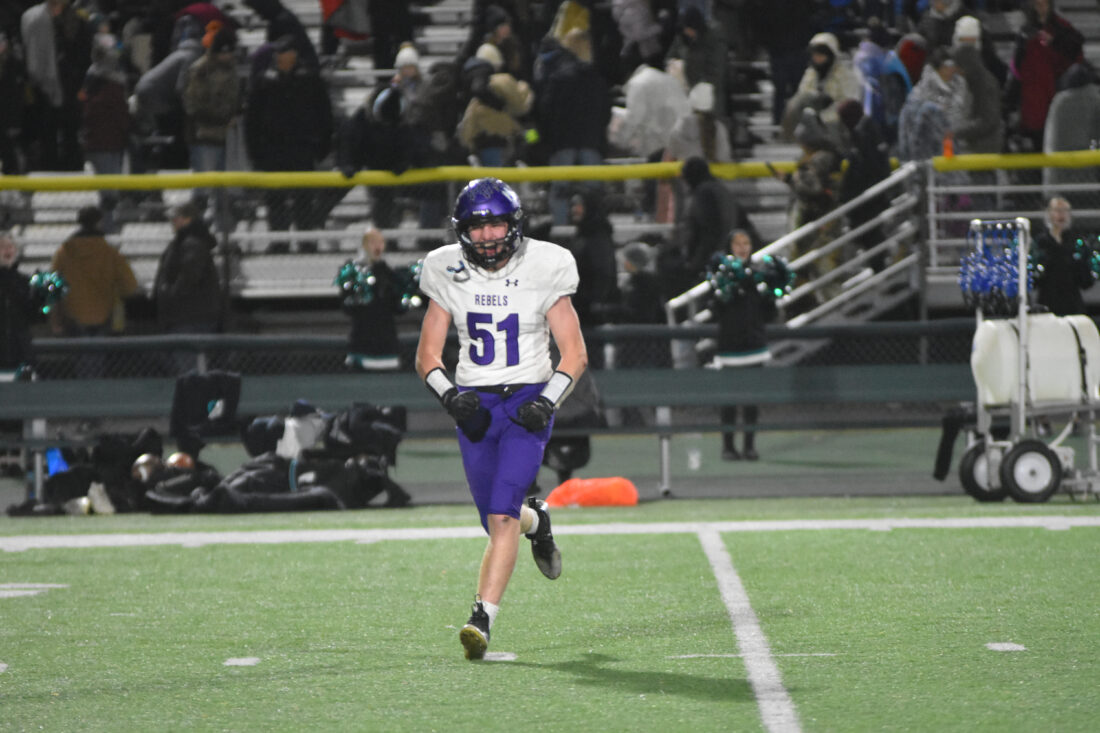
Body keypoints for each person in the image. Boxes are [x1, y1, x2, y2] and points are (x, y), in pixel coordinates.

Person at [415, 177, 587, 661]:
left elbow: (574, 353)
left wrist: (547, 402)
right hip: (476, 403)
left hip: (528, 399)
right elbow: (427, 355)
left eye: (496, 225)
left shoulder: (547, 263)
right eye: (477, 226)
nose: (488, 236)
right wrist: (450, 397)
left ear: (514, 225)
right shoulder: (444, 267)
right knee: (495, 520)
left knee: (501, 513)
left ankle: (481, 617)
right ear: (461, 230)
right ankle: (539, 521)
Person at [244, 34, 334, 253]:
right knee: (275, 198)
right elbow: (252, 119)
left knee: (304, 196)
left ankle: (307, 240)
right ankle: (279, 240)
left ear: (293, 55)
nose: (279, 56)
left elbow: (324, 115)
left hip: (302, 147)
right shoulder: (264, 81)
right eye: (278, 53)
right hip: (272, 149)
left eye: (283, 52)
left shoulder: (309, 79)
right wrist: (255, 151)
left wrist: (322, 146)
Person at [708, 229, 779, 461]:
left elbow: (770, 312)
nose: (742, 248)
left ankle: (749, 446)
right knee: (728, 400)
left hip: (754, 344)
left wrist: (771, 291)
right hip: (729, 345)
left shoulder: (760, 274)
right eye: (737, 244)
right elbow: (715, 308)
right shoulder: (721, 274)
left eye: (746, 243)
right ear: (730, 247)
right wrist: (728, 288)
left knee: (751, 400)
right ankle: (728, 447)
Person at [49, 205, 139, 377]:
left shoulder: (64, 253)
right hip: (103, 315)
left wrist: (55, 319)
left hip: (73, 316)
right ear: (99, 222)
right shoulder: (110, 252)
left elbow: (52, 288)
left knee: (80, 363)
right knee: (99, 363)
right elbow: (130, 286)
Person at [153, 202, 222, 374]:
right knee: (186, 367)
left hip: (189, 317)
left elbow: (189, 276)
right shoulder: (185, 241)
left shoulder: (192, 243)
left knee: (190, 370)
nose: (172, 222)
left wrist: (170, 295)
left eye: (176, 218)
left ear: (188, 219)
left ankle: (198, 391)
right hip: (187, 316)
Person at [341, 228, 403, 371]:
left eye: (380, 242)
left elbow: (398, 308)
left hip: (387, 347)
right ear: (363, 246)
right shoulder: (353, 272)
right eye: (372, 242)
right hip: (362, 345)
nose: (377, 246)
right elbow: (347, 306)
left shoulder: (389, 273)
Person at [1032, 197, 1094, 316]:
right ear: (1049, 213)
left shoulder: (1077, 242)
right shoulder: (1040, 242)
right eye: (1057, 210)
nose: (1062, 214)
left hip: (1072, 302)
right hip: (1048, 300)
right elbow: (1035, 278)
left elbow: (1086, 282)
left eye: (1065, 210)